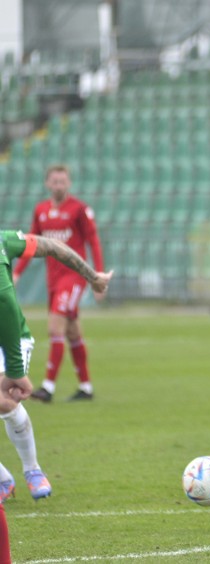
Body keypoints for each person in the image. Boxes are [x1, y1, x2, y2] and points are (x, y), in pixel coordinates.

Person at [0, 229, 112, 502]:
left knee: (3, 400)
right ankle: (4, 480)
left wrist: (92, 276)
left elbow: (51, 246)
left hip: (11, 340)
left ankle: (32, 470)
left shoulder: (4, 241)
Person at [13, 165, 105, 402]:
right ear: (47, 184)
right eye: (54, 181)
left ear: (69, 183)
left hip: (73, 277)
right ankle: (86, 387)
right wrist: (17, 272)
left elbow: (93, 241)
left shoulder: (79, 209)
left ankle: (48, 387)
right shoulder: (41, 210)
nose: (58, 186)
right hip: (53, 280)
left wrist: (97, 275)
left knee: (55, 327)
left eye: (62, 181)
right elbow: (30, 243)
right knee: (72, 332)